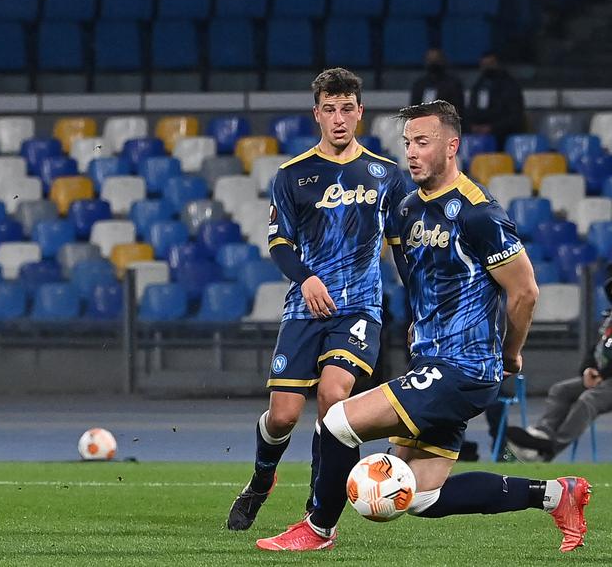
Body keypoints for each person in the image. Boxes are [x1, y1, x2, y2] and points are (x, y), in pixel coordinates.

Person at [256, 100, 590, 553]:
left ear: (452, 146)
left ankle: (317, 529)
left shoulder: (479, 213)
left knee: (336, 422)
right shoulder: (410, 208)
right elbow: (417, 277)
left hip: (464, 366)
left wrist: (510, 354)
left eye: (423, 142)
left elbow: (525, 292)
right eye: (407, 142)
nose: (411, 152)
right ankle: (556, 495)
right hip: (434, 360)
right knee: (422, 495)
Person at [227, 68, 405, 531]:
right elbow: (280, 243)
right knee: (283, 415)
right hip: (305, 307)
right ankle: (262, 478)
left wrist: (417, 301)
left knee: (333, 399)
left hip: (361, 308)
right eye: (330, 109)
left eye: (347, 108)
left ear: (360, 112)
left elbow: (404, 246)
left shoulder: (386, 176)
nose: (339, 118)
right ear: (317, 115)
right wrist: (305, 279)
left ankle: (317, 508)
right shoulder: (293, 176)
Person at [506, 273, 612, 461]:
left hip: (607, 380)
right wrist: (588, 370)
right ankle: (543, 433)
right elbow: (594, 349)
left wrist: (602, 374)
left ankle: (551, 446)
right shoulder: (609, 319)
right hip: (602, 378)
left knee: (588, 400)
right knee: (561, 390)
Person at [465, 52, 525, 147]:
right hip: (478, 136)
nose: (487, 68)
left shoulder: (510, 86)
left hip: (503, 137)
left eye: (490, 64)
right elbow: (471, 112)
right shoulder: (478, 87)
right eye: (484, 65)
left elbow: (515, 117)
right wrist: (473, 127)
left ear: (498, 64)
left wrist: (492, 128)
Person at [410, 49, 466, 120]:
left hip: (445, 125)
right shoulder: (419, 85)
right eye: (430, 60)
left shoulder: (453, 84)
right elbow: (413, 109)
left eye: (436, 60)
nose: (433, 63)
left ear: (443, 61)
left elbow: (457, 109)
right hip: (422, 125)